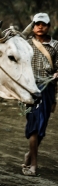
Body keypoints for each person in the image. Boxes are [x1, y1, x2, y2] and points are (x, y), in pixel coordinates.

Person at [23, 12, 58, 176]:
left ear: (49, 26)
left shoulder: (56, 46)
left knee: (41, 127)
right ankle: (33, 166)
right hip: (30, 89)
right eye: (37, 24)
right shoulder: (26, 44)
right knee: (35, 126)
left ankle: (30, 155)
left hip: (48, 89)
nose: (40, 27)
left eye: (43, 24)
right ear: (33, 26)